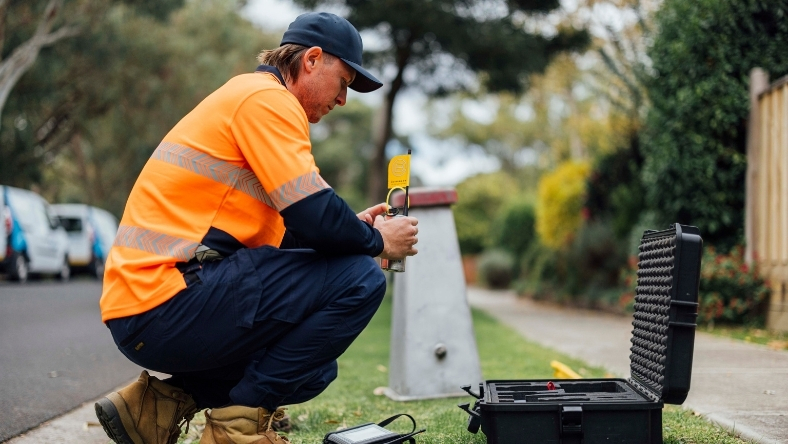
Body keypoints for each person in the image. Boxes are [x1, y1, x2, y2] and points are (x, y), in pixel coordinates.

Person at [94, 11, 418, 444]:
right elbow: (316, 215)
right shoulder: (267, 101)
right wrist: (377, 241)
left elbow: (297, 231)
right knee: (360, 279)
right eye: (343, 83)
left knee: (313, 367)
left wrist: (354, 232)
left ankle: (155, 407)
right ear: (313, 60)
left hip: (155, 305)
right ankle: (234, 431)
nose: (343, 99)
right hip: (164, 299)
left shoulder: (254, 101)